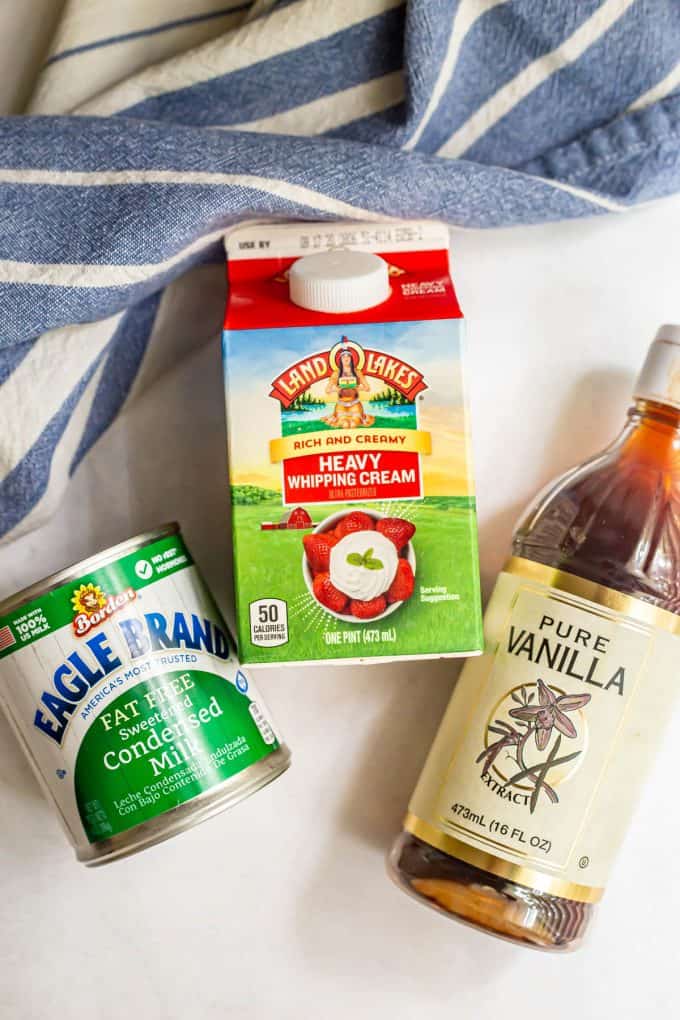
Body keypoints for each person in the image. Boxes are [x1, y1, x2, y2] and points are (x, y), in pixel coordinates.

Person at [322, 347, 374, 428]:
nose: (346, 358)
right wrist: (337, 389)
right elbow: (327, 390)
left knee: (353, 424)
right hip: (341, 406)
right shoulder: (336, 373)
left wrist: (357, 388)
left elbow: (367, 388)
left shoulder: (357, 372)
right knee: (345, 424)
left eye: (348, 356)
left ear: (351, 359)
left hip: (355, 405)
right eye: (343, 357)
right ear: (341, 360)